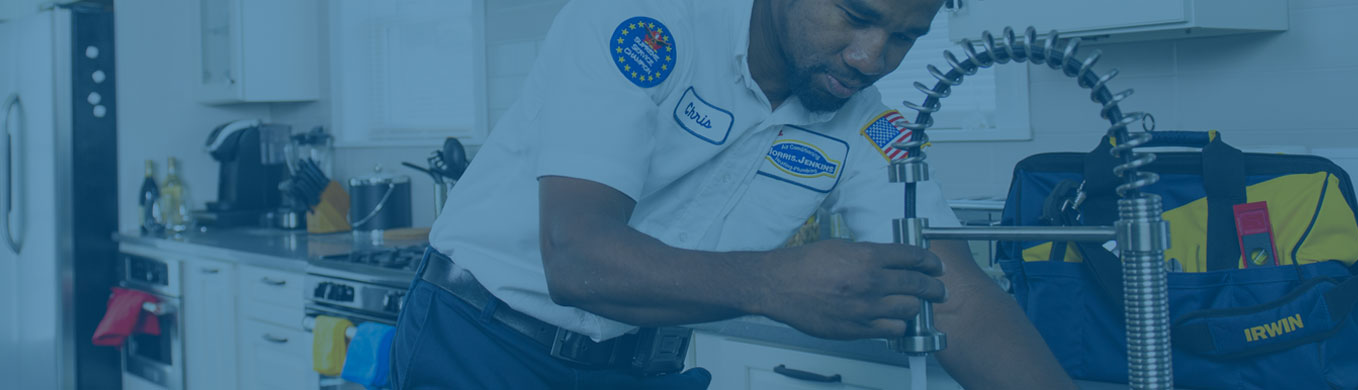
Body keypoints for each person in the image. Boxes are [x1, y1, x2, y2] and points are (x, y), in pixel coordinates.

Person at [392, 0, 1075, 388]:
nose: (871, 58)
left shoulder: (866, 121)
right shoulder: (641, 23)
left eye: (904, 37)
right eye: (855, 14)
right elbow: (577, 259)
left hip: (641, 368)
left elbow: (950, 288)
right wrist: (775, 284)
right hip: (479, 348)